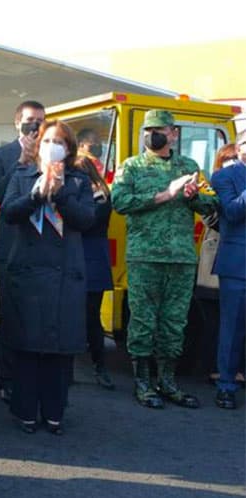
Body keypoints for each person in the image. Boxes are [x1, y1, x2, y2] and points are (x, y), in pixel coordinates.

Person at [111, 109, 217, 409]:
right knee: (143, 322)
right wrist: (165, 195)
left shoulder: (190, 166)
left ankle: (168, 382)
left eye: (159, 129)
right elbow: (119, 202)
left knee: (174, 323)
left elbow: (211, 203)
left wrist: (193, 194)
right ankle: (143, 383)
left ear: (174, 134)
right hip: (144, 257)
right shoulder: (130, 167)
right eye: (148, 130)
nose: (152, 134)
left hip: (181, 258)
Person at [0, 121, 95, 434]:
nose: (53, 145)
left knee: (57, 349)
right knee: (27, 347)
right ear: (38, 145)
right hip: (28, 273)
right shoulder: (22, 175)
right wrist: (37, 194)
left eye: (59, 141)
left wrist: (61, 193)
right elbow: (9, 213)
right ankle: (25, 411)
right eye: (47, 140)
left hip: (65, 274)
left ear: (68, 149)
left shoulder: (79, 181)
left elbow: (86, 219)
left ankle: (54, 413)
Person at [0, 100, 45, 404]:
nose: (35, 126)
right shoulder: (1, 155)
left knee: (38, 315)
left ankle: (35, 377)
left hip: (44, 248)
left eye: (40, 121)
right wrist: (20, 163)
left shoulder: (52, 151)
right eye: (29, 120)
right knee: (11, 316)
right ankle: (7, 378)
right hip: (11, 246)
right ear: (17, 123)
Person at [210, 131, 246, 409]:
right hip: (237, 263)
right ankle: (226, 385)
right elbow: (232, 213)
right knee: (232, 327)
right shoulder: (224, 177)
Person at [74, 155, 115, 389]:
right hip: (93, 261)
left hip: (86, 259)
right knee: (90, 318)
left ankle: (98, 366)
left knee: (87, 317)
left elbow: (84, 223)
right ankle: (98, 368)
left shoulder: (98, 198)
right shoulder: (101, 195)